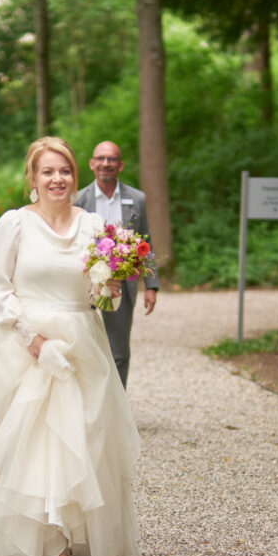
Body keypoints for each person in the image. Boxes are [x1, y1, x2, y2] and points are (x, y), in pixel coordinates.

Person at [0, 137, 141, 556]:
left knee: (83, 437)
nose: (57, 179)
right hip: (25, 344)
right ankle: (49, 543)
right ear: (33, 178)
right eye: (47, 171)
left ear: (73, 176)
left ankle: (72, 532)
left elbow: (98, 294)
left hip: (82, 342)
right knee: (35, 441)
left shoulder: (92, 225)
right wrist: (33, 337)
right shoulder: (15, 223)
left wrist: (110, 291)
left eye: (63, 170)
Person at [73, 141, 159, 388]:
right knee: (83, 346)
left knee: (118, 352)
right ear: (91, 164)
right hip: (85, 285)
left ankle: (117, 405)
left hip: (121, 285)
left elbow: (147, 242)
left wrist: (151, 285)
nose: (105, 164)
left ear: (120, 165)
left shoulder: (137, 199)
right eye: (100, 158)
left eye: (111, 159)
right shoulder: (78, 199)